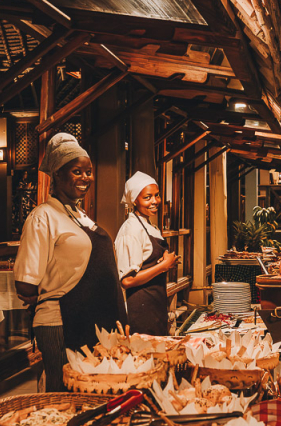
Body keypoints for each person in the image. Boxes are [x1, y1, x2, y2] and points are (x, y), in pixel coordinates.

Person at [13, 133, 127, 391]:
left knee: (91, 392)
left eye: (88, 172)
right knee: (64, 391)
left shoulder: (80, 216)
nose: (86, 178)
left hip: (92, 322)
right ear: (57, 175)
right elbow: (25, 284)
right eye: (77, 172)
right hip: (61, 322)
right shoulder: (43, 216)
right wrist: (46, 293)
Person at [115, 172, 180, 336]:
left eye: (157, 196)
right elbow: (127, 280)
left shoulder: (149, 226)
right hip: (140, 311)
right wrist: (164, 266)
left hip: (155, 306)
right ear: (135, 200)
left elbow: (149, 264)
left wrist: (166, 264)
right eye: (147, 197)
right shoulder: (131, 230)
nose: (155, 201)